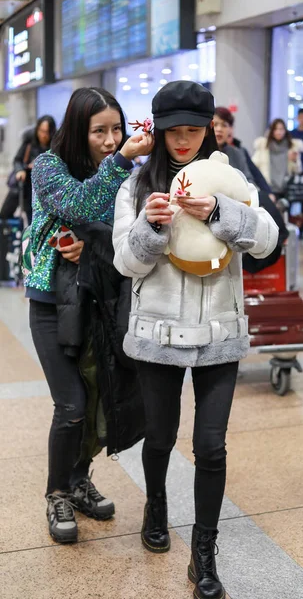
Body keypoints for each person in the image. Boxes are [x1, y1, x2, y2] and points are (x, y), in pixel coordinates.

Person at [112, 80, 279, 599]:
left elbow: (269, 241)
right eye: (173, 131)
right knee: (159, 437)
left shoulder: (231, 178)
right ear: (159, 132)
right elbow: (125, 262)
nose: (183, 141)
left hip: (218, 335)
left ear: (209, 129)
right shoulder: (137, 186)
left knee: (210, 447)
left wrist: (222, 214)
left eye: (193, 130)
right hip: (157, 332)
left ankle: (203, 552)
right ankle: (156, 505)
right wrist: (150, 227)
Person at [26, 87, 152, 544]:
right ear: (79, 129)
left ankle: (78, 480)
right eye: (100, 130)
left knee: (98, 399)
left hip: (99, 300)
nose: (110, 139)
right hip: (50, 303)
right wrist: (119, 165)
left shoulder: (124, 173)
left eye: (117, 129)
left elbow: (124, 230)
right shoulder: (48, 167)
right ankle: (56, 493)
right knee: (72, 404)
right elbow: (79, 204)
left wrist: (95, 242)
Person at [0, 115, 56, 224]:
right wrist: (20, 170)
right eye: (41, 131)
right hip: (27, 188)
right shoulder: (29, 142)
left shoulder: (56, 146)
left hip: (46, 191)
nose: (44, 135)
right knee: (30, 218)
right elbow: (18, 160)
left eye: (47, 132)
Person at [252, 118, 303, 199]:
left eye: (281, 129)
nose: (279, 132)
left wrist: (294, 160)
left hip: (286, 189)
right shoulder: (263, 146)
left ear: (285, 130)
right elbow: (254, 167)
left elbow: (298, 170)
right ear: (272, 131)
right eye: (276, 129)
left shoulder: (291, 147)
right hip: (268, 187)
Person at [213, 106, 254, 183]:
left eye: (224, 125)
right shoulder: (199, 151)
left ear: (230, 129)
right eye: (215, 125)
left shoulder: (237, 153)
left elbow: (248, 181)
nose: (219, 129)